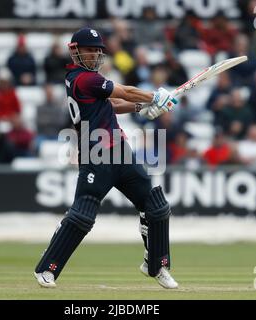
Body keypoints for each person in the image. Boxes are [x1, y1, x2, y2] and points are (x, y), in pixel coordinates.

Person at [34, 28, 179, 289]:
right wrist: (155, 96)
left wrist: (143, 106)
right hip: (96, 153)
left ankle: (156, 265)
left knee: (155, 207)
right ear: (75, 50)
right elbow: (123, 91)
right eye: (90, 49)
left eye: (98, 50)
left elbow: (111, 105)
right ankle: (47, 268)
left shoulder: (88, 80)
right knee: (82, 216)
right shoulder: (82, 79)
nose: (96, 54)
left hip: (120, 151)